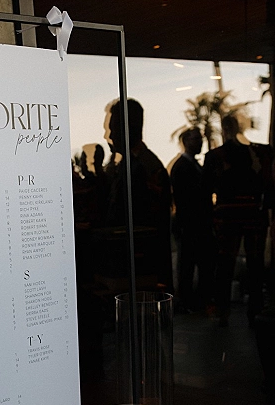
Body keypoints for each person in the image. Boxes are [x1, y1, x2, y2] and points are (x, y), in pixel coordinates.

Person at [202, 113, 272, 326]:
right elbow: (267, 184)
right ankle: (254, 309)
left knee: (227, 264)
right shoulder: (259, 153)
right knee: (253, 263)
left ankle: (225, 309)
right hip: (251, 215)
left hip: (229, 217)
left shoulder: (216, 156)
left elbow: (206, 190)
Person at [104, 98, 173, 292]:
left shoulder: (145, 168)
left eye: (114, 128)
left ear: (130, 129)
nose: (109, 135)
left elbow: (149, 227)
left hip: (142, 271)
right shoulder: (130, 165)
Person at [170, 127, 216, 311]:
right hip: (191, 224)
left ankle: (194, 300)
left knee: (195, 263)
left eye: (200, 139)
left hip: (195, 223)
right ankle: (189, 300)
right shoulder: (182, 167)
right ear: (185, 142)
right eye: (195, 139)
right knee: (189, 264)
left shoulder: (191, 166)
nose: (200, 142)